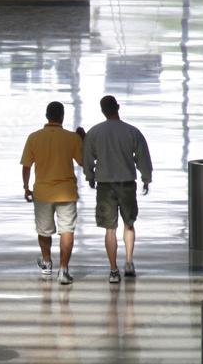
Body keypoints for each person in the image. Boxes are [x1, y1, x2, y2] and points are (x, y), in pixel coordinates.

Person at [81, 94, 153, 283]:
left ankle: (114, 270)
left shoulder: (95, 132)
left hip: (105, 186)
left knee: (110, 229)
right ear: (118, 107)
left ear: (103, 110)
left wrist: (90, 176)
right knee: (129, 224)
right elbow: (142, 157)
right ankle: (129, 261)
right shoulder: (132, 132)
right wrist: (146, 178)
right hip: (127, 183)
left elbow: (87, 157)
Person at [20, 101, 86, 285]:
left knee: (44, 230)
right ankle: (63, 271)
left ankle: (47, 264)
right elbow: (83, 162)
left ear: (46, 115)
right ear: (62, 116)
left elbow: (26, 165)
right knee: (67, 231)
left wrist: (26, 187)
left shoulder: (34, 137)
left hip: (42, 193)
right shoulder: (71, 138)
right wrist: (82, 139)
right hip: (66, 193)